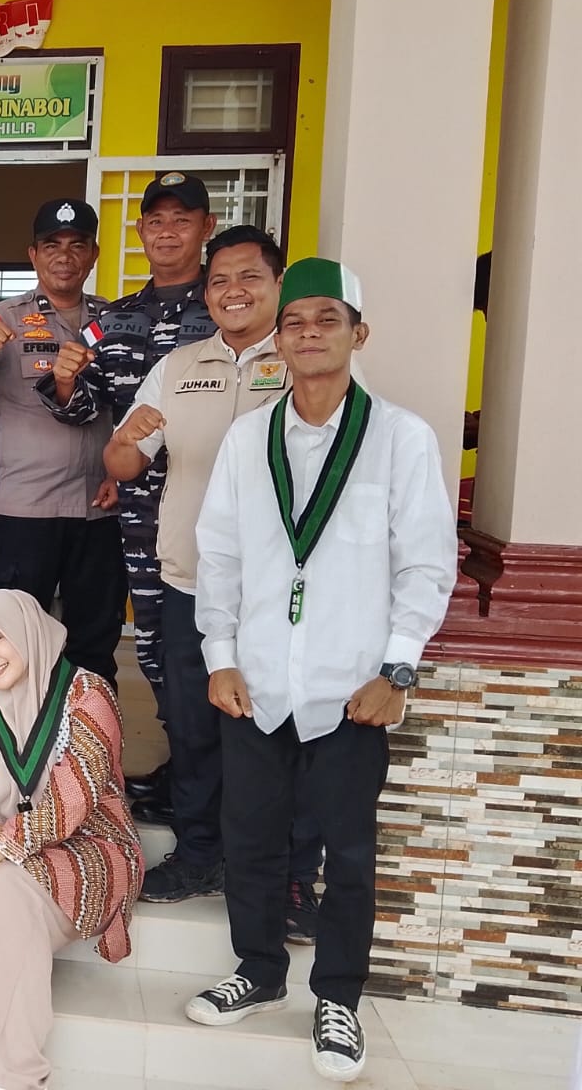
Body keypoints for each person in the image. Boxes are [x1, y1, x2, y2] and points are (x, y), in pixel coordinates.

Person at [186, 258, 456, 1083]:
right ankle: (259, 970)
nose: (308, 334)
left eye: (326, 320)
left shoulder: (401, 438)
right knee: (251, 838)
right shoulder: (249, 439)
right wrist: (221, 656)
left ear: (357, 334)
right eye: (295, 322)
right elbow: (220, 555)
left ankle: (338, 997)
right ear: (277, 339)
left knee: (348, 852)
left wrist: (397, 671)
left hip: (351, 690)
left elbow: (426, 565)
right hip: (259, 681)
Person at [104, 225, 322, 926]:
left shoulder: (305, 364)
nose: (233, 291)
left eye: (249, 277)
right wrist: (123, 441)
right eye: (220, 280)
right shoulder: (178, 366)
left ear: (278, 284)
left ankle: (286, 875)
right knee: (194, 729)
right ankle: (199, 853)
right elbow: (125, 463)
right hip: (189, 582)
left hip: (277, 592)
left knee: (279, 732)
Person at [40, 172, 217, 820]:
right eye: (156, 221)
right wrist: (65, 382)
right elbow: (87, 409)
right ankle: (185, 772)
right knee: (156, 649)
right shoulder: (112, 319)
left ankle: (212, 787)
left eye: (182, 219)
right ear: (139, 230)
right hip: (139, 513)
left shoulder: (224, 312)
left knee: (212, 651)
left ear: (206, 228)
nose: (167, 232)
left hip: (211, 510)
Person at [0, 588, 142, 1090]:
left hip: (96, 846)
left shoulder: (88, 693)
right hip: (14, 842)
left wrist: (2, 846)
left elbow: (76, 795)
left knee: (10, 883)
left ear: (27, 631)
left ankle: (11, 1071)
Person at [0, 198, 124, 684]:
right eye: (52, 246)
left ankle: (88, 730)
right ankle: (11, 732)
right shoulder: (4, 317)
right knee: (13, 641)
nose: (64, 256)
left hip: (97, 509)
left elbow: (132, 403)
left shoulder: (113, 321)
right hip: (25, 510)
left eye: (77, 245)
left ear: (94, 254)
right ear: (33, 255)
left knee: (95, 642)